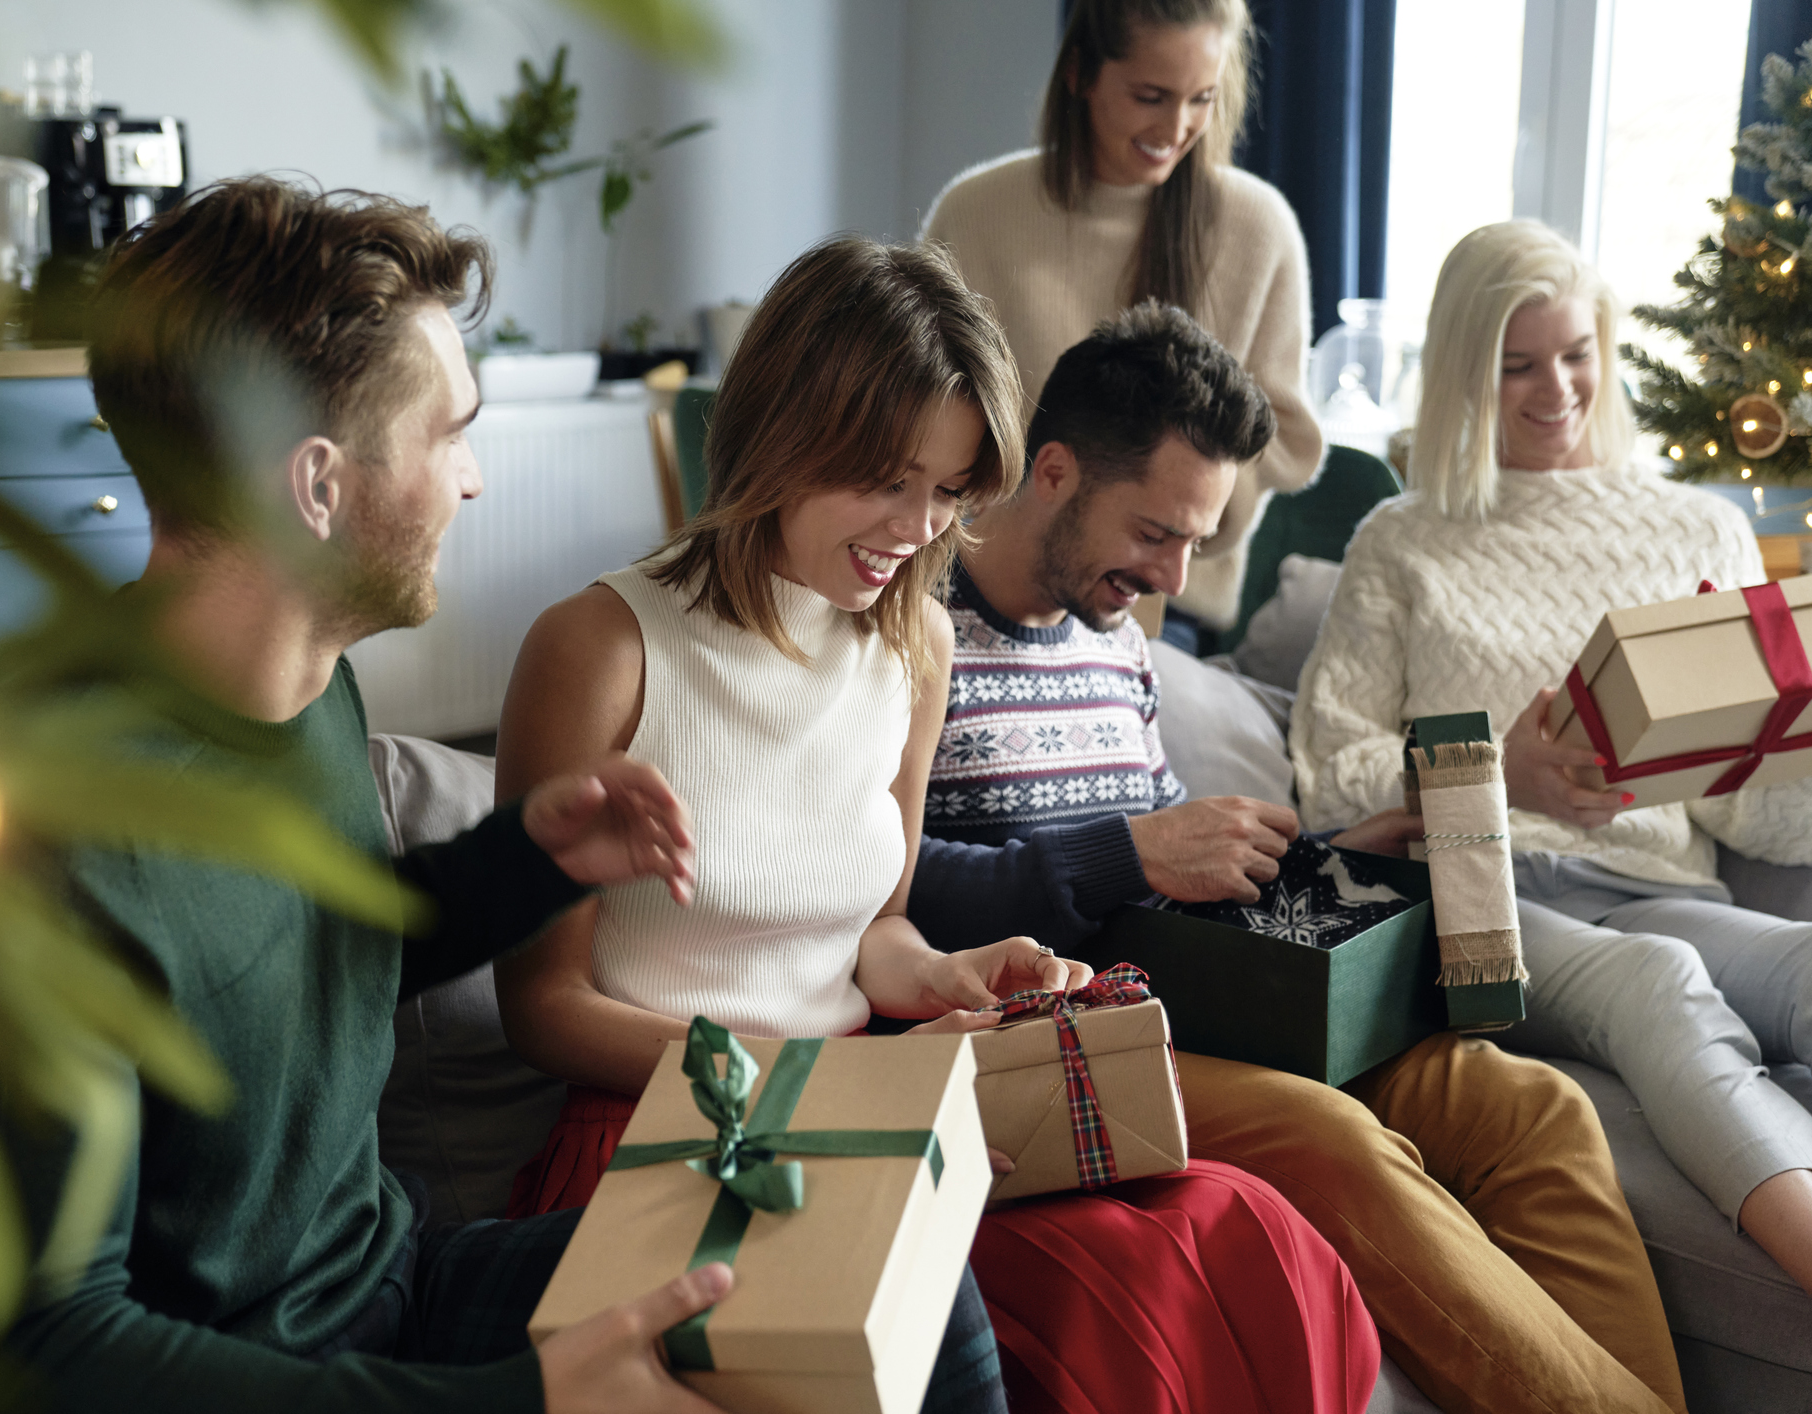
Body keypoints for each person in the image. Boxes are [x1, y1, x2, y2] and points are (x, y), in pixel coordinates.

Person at [0, 177, 998, 1414]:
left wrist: (521, 861)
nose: (472, 482)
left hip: (399, 1288)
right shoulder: (36, 822)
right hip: (253, 1375)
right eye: (449, 432)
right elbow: (46, 1340)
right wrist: (515, 1401)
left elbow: (309, 945)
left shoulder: (309, 690)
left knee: (899, 1251)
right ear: (318, 486)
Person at [492, 234, 1380, 1414]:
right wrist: (822, 1085)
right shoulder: (597, 646)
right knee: (1067, 1306)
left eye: (952, 490)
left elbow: (876, 928)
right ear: (781, 431)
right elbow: (541, 1009)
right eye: (888, 479)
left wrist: (953, 971)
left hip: (869, 1095)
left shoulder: (913, 648)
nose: (919, 527)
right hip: (669, 1127)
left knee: (1231, 1227)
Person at [909, 300, 1687, 1414]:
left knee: (1536, 1108)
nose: (1174, 575)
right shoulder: (912, 627)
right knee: (1336, 1139)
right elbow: (890, 886)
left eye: (1196, 539)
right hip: (1040, 1030)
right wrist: (1130, 849)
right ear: (1055, 471)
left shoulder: (1119, 642)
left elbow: (1166, 858)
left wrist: (1321, 851)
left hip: (1198, 998)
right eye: (1155, 532)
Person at [1293, 218, 1812, 1304]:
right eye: (1517, 364)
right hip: (1479, 901)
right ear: (1464, 374)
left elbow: (1758, 825)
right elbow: (1332, 773)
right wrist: (1497, 777)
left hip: (1661, 883)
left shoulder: (1698, 531)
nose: (1556, 389)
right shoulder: (1405, 535)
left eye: (1577, 355)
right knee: (1658, 984)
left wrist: (1765, 742)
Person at [922, 0, 1320, 639]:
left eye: (1202, 100)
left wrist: (1172, 522)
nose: (1177, 126)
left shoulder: (1257, 228)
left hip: (1163, 610)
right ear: (1079, 73)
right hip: (973, 585)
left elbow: (1288, 443)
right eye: (1151, 95)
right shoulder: (976, 213)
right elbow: (922, 409)